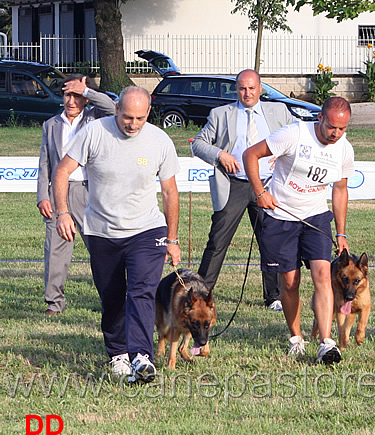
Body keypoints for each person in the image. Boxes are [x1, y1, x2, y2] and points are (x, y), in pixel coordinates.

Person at [53, 86, 181, 383]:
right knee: (111, 296)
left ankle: (141, 356)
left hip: (147, 229)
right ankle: (118, 354)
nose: (132, 124)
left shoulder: (160, 140)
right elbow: (61, 172)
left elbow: (169, 191)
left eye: (139, 118)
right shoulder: (94, 133)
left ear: (148, 113)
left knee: (141, 291)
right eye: (126, 117)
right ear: (116, 109)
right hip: (102, 231)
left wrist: (172, 239)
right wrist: (62, 212)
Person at [243, 96, 354, 365]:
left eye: (342, 129)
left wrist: (341, 233)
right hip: (281, 216)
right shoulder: (294, 134)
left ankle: (326, 343)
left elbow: (340, 190)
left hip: (315, 217)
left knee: (323, 276)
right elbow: (251, 155)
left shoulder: (344, 149)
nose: (336, 134)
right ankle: (296, 338)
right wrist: (260, 192)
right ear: (320, 119)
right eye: (331, 127)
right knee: (290, 282)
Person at [192, 69, 294, 311]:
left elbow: (296, 139)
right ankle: (200, 293)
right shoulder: (220, 114)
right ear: (236, 89)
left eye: (251, 88)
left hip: (268, 184)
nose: (247, 93)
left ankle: (274, 296)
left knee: (271, 242)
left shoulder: (279, 111)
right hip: (233, 185)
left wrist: (281, 157)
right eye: (242, 88)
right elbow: (198, 143)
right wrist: (219, 154)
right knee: (217, 241)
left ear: (260, 88)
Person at [36, 74, 116, 316]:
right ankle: (54, 303)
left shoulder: (96, 120)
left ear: (84, 99)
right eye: (67, 95)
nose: (71, 101)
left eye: (76, 96)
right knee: (55, 250)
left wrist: (87, 90)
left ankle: (111, 299)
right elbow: (45, 164)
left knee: (100, 248)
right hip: (58, 193)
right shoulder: (51, 125)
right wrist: (43, 196)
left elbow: (113, 107)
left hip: (89, 192)